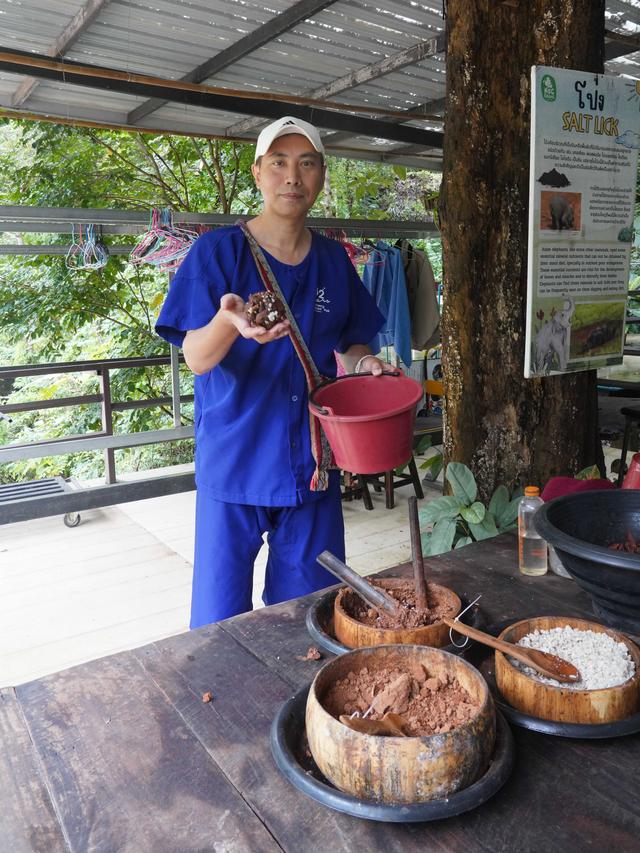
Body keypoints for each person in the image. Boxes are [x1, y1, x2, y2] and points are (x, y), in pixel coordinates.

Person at [156, 116, 393, 628]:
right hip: (235, 462)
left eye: (306, 164)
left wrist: (364, 364)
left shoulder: (333, 260)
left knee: (313, 616)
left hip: (312, 468)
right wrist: (228, 322)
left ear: (321, 175)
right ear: (258, 173)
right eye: (279, 163)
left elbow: (352, 344)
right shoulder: (217, 252)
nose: (292, 176)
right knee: (219, 622)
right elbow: (196, 357)